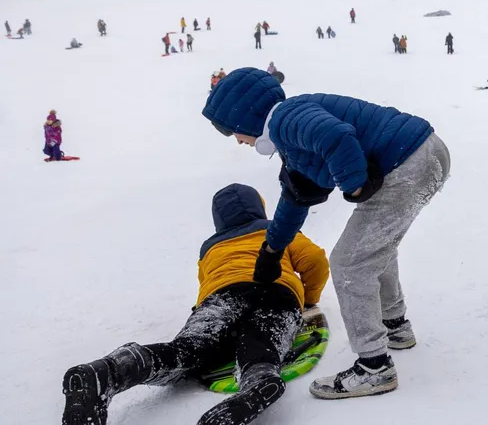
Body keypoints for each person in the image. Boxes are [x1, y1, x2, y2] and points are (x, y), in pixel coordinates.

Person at [203, 68, 450, 399]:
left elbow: (335, 136)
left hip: (406, 162)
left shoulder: (284, 118)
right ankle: (395, 326)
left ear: (246, 117)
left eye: (231, 131)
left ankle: (374, 367)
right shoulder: (291, 136)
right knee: (373, 250)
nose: (236, 140)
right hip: (422, 153)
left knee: (350, 263)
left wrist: (355, 185)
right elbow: (295, 199)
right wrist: (271, 251)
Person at [61, 183, 330, 425]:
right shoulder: (277, 230)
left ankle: (112, 370)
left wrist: (203, 315)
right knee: (262, 339)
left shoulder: (211, 247)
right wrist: (309, 298)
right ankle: (258, 379)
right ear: (259, 207)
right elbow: (315, 260)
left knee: (188, 349)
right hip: (276, 294)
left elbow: (207, 283)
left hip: (221, 298)